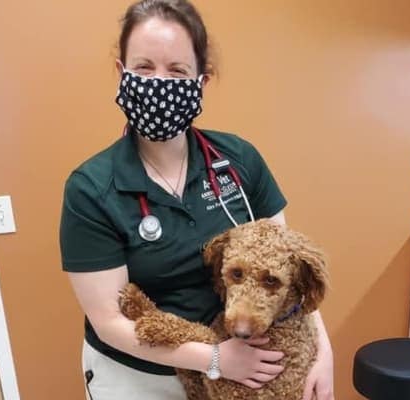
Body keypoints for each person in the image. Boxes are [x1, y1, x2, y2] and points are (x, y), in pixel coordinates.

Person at [59, 1, 334, 399]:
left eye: (177, 71)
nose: (160, 83)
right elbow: (110, 322)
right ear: (122, 74)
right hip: (142, 376)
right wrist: (214, 359)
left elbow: (289, 272)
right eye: (144, 68)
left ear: (201, 81)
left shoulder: (238, 160)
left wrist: (322, 351)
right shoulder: (91, 188)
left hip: (243, 366)